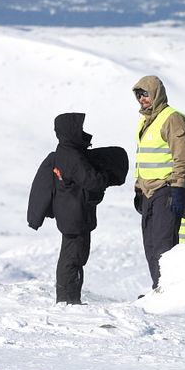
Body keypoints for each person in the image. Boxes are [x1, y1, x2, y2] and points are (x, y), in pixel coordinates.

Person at [27, 113, 110, 304]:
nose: (82, 132)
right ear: (70, 131)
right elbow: (91, 180)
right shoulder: (72, 156)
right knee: (73, 258)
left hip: (70, 214)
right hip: (75, 216)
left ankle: (69, 299)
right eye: (78, 128)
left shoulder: (64, 152)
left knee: (71, 256)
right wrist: (104, 176)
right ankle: (68, 300)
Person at [133, 75, 185, 291]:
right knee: (150, 245)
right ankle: (158, 289)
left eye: (146, 94)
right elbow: (143, 156)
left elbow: (183, 155)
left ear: (156, 93)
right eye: (139, 95)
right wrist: (138, 187)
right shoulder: (144, 121)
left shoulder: (172, 118)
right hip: (148, 192)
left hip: (166, 189)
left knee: (163, 244)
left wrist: (179, 186)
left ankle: (169, 291)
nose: (142, 99)